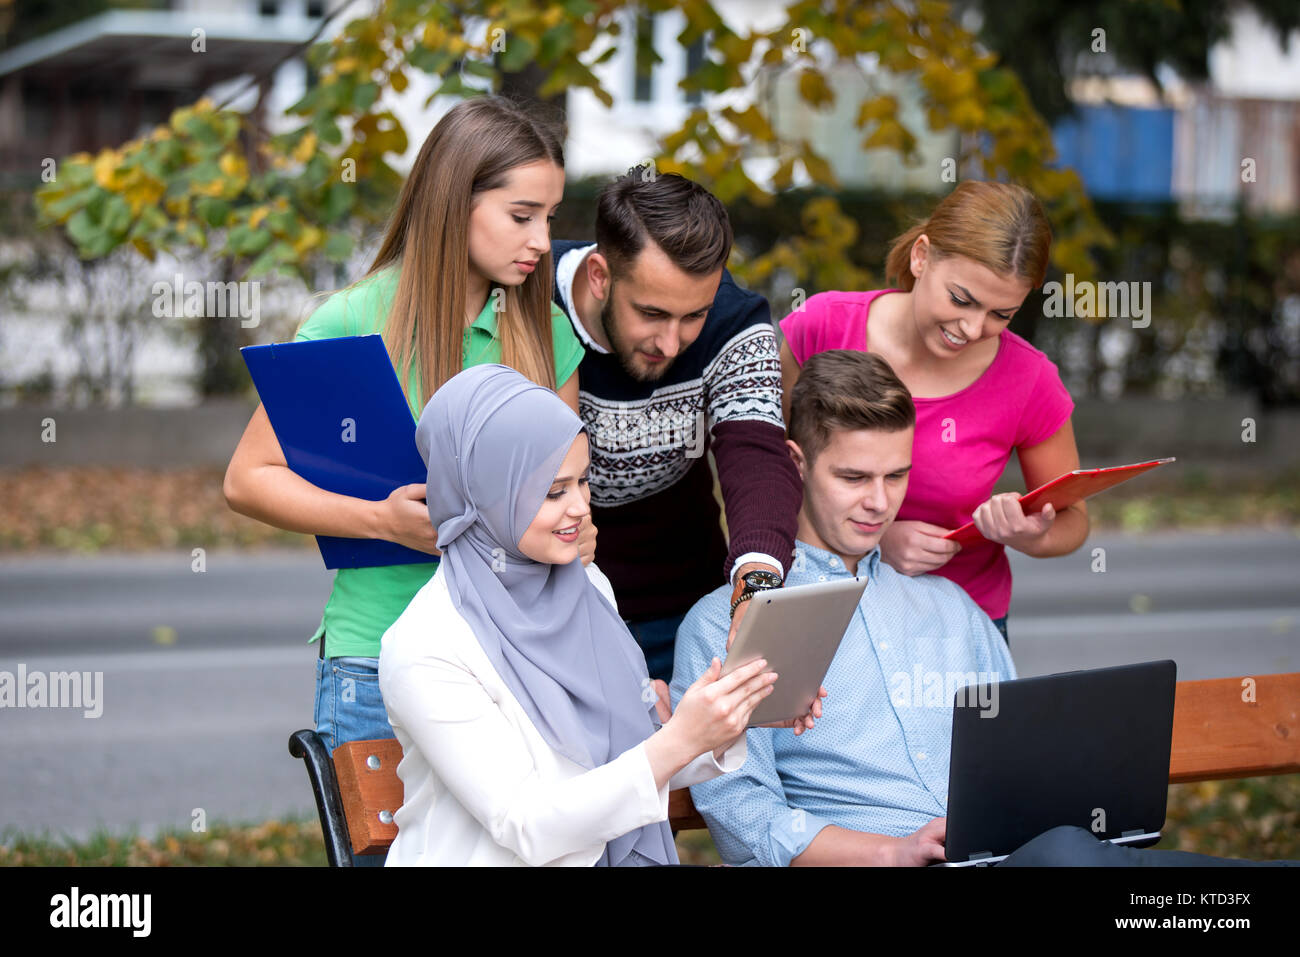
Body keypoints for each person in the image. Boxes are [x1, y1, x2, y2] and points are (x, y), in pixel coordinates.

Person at [673, 350, 1294, 867]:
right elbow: (746, 819)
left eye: (897, 477)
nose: (879, 503)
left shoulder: (949, 607)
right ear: (796, 465)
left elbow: (1022, 758)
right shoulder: (729, 621)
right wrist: (893, 852)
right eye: (855, 477)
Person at [222, 97, 589, 864]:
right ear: (455, 201)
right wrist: (382, 520)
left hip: (514, 656)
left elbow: (567, 492)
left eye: (549, 217)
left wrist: (573, 528)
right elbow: (249, 479)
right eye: (522, 215)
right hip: (375, 658)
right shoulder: (353, 321)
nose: (543, 241)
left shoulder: (546, 333)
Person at [378, 364, 822, 866]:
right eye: (552, 491)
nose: (580, 509)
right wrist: (678, 740)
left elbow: (627, 768)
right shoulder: (425, 644)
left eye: (583, 482)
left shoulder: (587, 586)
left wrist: (736, 714)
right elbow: (526, 825)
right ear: (482, 493)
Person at [778, 181, 1088, 642]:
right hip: (823, 602)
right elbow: (770, 468)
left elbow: (1073, 520)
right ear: (921, 257)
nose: (973, 327)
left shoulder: (1029, 379)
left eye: (1001, 314)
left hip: (955, 625)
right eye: (961, 299)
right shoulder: (822, 326)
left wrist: (1027, 535)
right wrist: (878, 541)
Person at [551, 170, 802, 680]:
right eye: (651, 312)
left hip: (685, 607)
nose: (670, 342)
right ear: (600, 275)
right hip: (557, 609)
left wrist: (756, 583)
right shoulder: (530, 298)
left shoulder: (736, 321)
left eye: (693, 316)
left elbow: (756, 455)